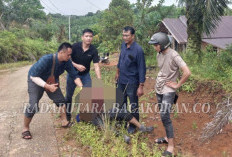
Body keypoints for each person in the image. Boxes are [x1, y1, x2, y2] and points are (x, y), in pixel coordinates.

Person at [22, 42, 83, 140]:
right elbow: (33, 76)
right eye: (69, 54)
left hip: (51, 81)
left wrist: (82, 88)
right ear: (61, 52)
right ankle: (25, 129)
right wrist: (46, 86)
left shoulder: (67, 62)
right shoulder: (46, 59)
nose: (70, 56)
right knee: (33, 106)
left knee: (61, 101)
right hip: (36, 80)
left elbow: (74, 76)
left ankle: (64, 122)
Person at [148, 32, 191, 157]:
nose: (154, 47)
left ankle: (171, 146)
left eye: (155, 45)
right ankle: (167, 137)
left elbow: (187, 72)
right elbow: (163, 70)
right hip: (160, 88)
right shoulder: (159, 54)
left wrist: (177, 85)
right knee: (164, 116)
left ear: (162, 44)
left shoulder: (174, 55)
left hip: (169, 91)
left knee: (165, 116)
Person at [115, 26, 146, 134]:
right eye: (123, 35)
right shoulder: (123, 46)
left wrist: (141, 86)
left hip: (132, 82)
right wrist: (117, 72)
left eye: (127, 35)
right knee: (121, 103)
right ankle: (123, 122)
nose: (124, 37)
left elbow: (142, 68)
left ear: (132, 36)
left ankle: (133, 126)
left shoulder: (138, 50)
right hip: (121, 81)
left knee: (133, 105)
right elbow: (120, 59)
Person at [65, 29, 101, 121]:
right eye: (86, 36)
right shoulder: (75, 46)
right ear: (82, 37)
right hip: (72, 74)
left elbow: (96, 66)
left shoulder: (93, 50)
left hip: (85, 75)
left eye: (90, 36)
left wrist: (99, 79)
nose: (88, 38)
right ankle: (67, 115)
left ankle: (82, 116)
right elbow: (67, 58)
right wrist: (76, 65)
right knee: (69, 95)